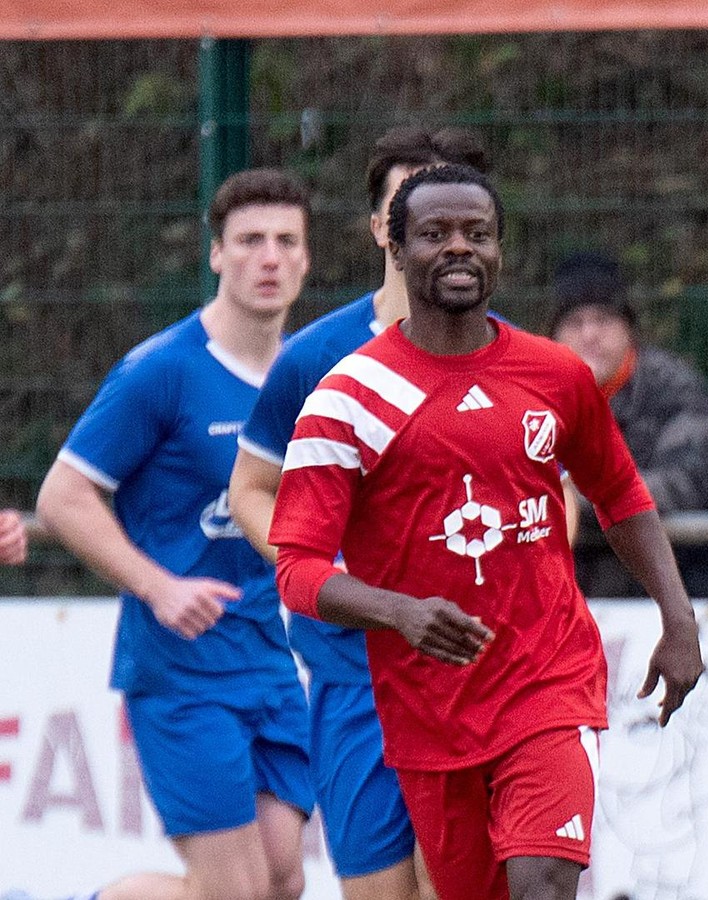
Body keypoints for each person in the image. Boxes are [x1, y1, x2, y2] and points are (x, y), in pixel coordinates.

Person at [269, 164, 705, 900]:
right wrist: (398, 611)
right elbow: (298, 570)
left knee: (542, 882)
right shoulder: (345, 398)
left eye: (478, 233)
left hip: (547, 682)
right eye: (435, 234)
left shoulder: (556, 374)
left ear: (501, 251)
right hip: (427, 712)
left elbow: (621, 494)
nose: (459, 248)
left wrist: (679, 618)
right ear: (396, 251)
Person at [34, 169, 315, 900]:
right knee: (234, 893)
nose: (270, 258)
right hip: (182, 673)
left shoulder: (311, 375)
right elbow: (64, 498)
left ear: (308, 260)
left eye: (287, 242)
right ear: (216, 254)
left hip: (274, 662)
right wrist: (158, 586)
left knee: (282, 881)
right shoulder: (160, 372)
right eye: (250, 241)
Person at [229, 125, 486, 900]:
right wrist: (318, 571)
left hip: (465, 679)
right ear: (382, 226)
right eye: (414, 209)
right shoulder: (314, 358)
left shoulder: (508, 355)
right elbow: (251, 488)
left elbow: (560, 497)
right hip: (353, 680)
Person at [549, 251, 708, 600]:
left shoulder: (675, 390)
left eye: (604, 319)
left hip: (678, 594)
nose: (590, 334)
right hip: (565, 602)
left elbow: (679, 485)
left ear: (629, 329)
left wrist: (573, 500)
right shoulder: (533, 397)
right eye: (575, 322)